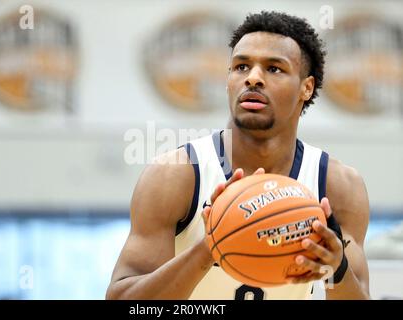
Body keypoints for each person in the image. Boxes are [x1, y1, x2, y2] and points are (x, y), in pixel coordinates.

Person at [105, 11, 370, 300]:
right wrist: (209, 247)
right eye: (241, 66)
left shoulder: (337, 185)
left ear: (306, 87)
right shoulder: (177, 175)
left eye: (274, 69)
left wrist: (337, 270)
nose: (253, 78)